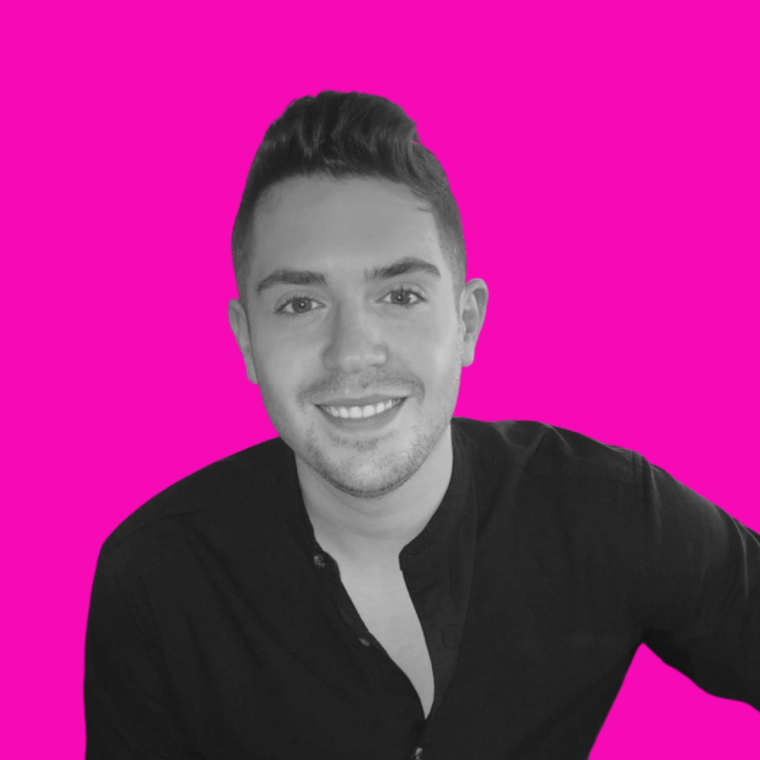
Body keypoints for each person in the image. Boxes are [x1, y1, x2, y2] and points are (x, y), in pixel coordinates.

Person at [84, 91, 759, 759]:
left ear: (466, 322)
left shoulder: (609, 511)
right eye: (298, 304)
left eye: (400, 294)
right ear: (246, 342)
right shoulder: (153, 580)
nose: (352, 353)